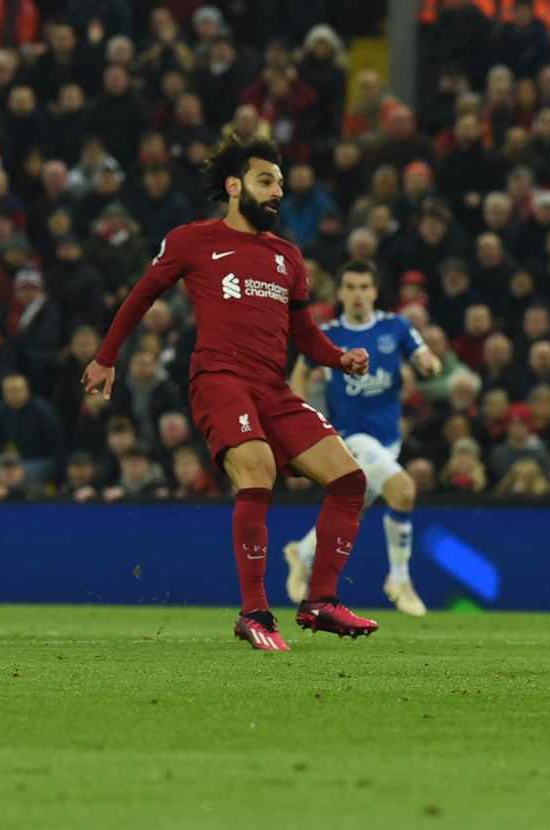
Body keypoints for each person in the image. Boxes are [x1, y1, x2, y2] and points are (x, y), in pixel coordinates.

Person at [81, 136, 379, 651]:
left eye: (281, 184)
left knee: (350, 480)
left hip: (272, 387)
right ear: (234, 185)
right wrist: (106, 357)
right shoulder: (192, 240)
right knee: (258, 469)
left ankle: (319, 602)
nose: (277, 192)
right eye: (267, 181)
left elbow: (303, 334)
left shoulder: (288, 257)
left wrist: (338, 357)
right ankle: (255, 612)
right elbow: (142, 295)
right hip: (219, 379)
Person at [285, 259, 443, 618]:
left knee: (353, 509)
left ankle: (302, 552)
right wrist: (302, 418)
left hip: (389, 440)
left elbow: (423, 354)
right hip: (350, 437)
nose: (357, 294)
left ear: (374, 291)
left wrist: (430, 364)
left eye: (363, 287)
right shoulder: (329, 333)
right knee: (403, 490)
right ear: (340, 293)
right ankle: (399, 580)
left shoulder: (395, 326)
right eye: (350, 287)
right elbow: (300, 372)